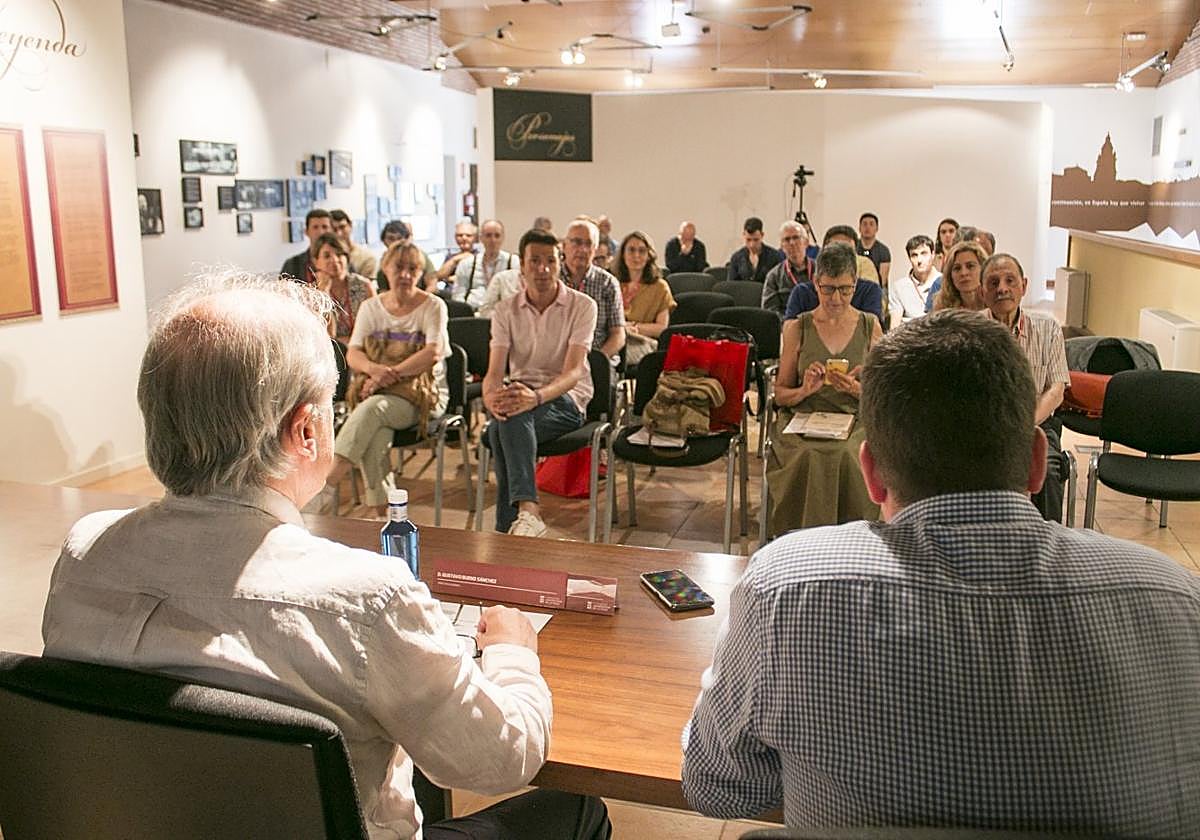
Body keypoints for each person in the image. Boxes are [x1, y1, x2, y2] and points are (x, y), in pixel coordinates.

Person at [41, 271, 610, 840]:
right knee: (579, 809)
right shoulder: (365, 597)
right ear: (307, 432)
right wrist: (513, 655)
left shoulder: (83, 553)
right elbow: (504, 759)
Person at [683, 308, 1200, 835]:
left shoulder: (783, 589)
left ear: (872, 475)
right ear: (1036, 462)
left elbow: (717, 786)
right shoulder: (1178, 600)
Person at [313, 242, 449, 516]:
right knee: (375, 434)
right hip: (376, 391)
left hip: (422, 394)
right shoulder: (371, 307)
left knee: (372, 411)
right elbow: (353, 353)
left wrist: (389, 375)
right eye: (399, 267)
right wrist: (377, 372)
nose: (405, 274)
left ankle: (325, 484)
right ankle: (385, 513)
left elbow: (432, 353)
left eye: (413, 269)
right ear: (385, 267)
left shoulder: (433, 306)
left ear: (421, 271)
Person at [484, 229, 597, 537]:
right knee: (502, 420)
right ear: (522, 265)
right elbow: (494, 372)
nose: (543, 269)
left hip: (567, 398)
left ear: (560, 263)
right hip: (522, 393)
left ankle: (520, 515)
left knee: (505, 423)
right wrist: (491, 397)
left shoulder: (582, 306)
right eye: (535, 261)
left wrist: (535, 398)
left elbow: (574, 373)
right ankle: (522, 520)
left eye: (550, 261)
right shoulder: (505, 310)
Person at [765, 244, 882, 535]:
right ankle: (800, 541)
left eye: (845, 289)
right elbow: (780, 394)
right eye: (828, 289)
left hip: (854, 419)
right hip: (804, 417)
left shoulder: (870, 326)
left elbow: (883, 396)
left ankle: (852, 540)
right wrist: (804, 390)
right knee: (808, 454)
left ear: (855, 285)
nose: (837, 298)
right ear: (816, 284)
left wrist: (856, 389)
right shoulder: (798, 327)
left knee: (845, 454)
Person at [981, 252, 1069, 523]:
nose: (1002, 289)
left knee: (1049, 471)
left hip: (1037, 424)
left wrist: (1025, 424)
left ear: (1024, 285)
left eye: (1010, 280)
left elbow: (1056, 389)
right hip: (986, 426)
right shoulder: (972, 330)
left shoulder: (1048, 329)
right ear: (983, 291)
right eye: (993, 283)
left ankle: (1046, 544)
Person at [783, 226, 883, 323]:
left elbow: (872, 333)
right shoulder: (802, 293)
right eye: (834, 250)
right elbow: (790, 332)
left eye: (847, 251)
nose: (840, 257)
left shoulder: (869, 291)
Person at [560, 218, 625, 359]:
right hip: (555, 357)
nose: (582, 249)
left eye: (588, 244)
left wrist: (598, 359)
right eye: (576, 242)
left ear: (595, 250)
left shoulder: (608, 283)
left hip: (595, 356)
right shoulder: (552, 279)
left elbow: (618, 334)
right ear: (564, 246)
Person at [616, 231, 676, 365]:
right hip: (615, 340)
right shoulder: (612, 282)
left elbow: (661, 328)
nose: (636, 256)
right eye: (631, 250)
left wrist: (635, 327)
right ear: (623, 255)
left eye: (642, 251)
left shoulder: (660, 287)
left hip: (642, 343)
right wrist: (621, 328)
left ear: (649, 256)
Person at [312, 232, 376, 346]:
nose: (335, 260)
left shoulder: (364, 286)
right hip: (330, 353)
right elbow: (327, 335)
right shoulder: (311, 294)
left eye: (339, 254)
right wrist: (324, 293)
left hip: (363, 349)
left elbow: (376, 328)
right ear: (316, 262)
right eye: (327, 256)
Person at [450, 219, 516, 310]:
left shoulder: (513, 263)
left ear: (503, 238)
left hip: (503, 314)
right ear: (481, 238)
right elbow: (458, 295)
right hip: (473, 314)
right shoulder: (467, 264)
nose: (493, 240)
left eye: (497, 236)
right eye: (488, 236)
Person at [762, 221, 814, 317]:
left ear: (806, 242)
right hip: (787, 327)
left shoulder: (821, 271)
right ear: (781, 246)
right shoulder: (774, 276)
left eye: (796, 237)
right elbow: (770, 312)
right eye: (787, 239)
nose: (792, 243)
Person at [888, 234, 940, 329]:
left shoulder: (945, 282)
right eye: (914, 255)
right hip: (910, 340)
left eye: (924, 253)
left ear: (933, 255)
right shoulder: (899, 287)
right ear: (909, 258)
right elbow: (894, 327)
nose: (919, 260)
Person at [376, 220, 436, 292]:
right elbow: (384, 292)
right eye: (391, 238)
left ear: (406, 239)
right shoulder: (384, 262)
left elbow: (432, 284)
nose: (395, 242)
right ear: (384, 241)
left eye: (399, 238)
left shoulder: (419, 256)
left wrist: (423, 300)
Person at [930, 239, 988, 312]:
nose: (963, 273)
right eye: (957, 268)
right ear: (950, 275)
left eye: (970, 266)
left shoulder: (995, 304)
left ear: (983, 269)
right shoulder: (942, 307)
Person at [281, 208, 333, 285]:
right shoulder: (292, 264)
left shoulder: (340, 262)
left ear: (332, 230)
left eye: (324, 227)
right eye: (315, 227)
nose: (320, 232)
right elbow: (282, 294)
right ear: (306, 231)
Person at [727, 216, 783, 283]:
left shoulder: (775, 256)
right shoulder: (736, 258)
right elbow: (731, 286)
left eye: (756, 240)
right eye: (748, 240)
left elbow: (779, 283)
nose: (752, 245)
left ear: (762, 235)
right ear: (743, 235)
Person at [330, 209, 378, 278]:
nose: (339, 233)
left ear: (350, 225)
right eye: (334, 230)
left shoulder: (367, 257)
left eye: (342, 227)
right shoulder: (323, 259)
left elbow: (365, 286)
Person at [858, 211, 892, 284]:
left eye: (871, 224)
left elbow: (882, 280)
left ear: (877, 228)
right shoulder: (853, 247)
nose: (868, 227)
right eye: (864, 224)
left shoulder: (883, 250)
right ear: (859, 228)